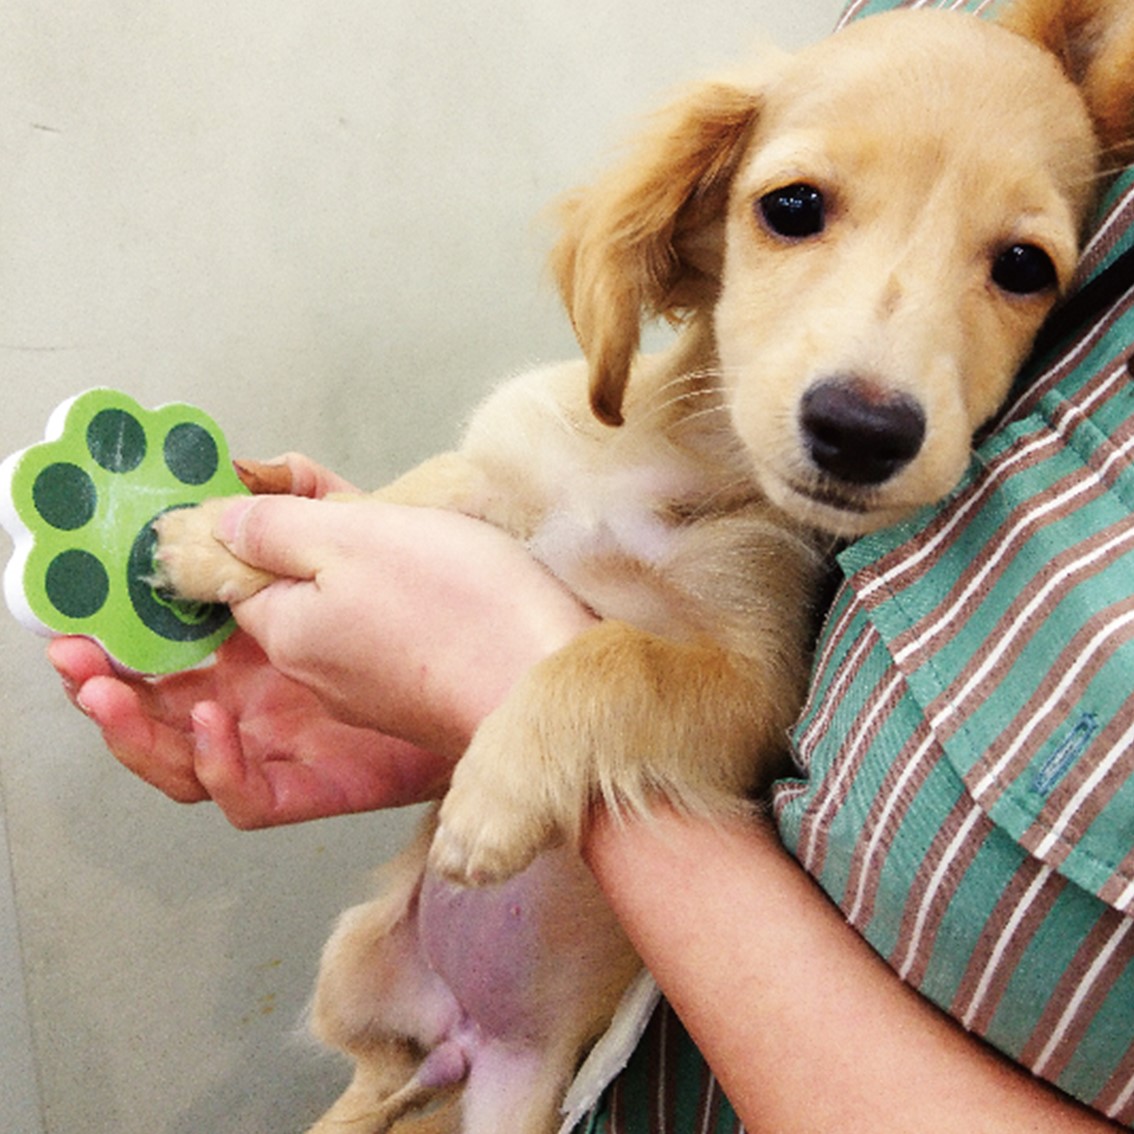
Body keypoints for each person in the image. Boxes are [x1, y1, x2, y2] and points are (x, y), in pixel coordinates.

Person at [49, 0, 1134, 1128]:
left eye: (1020, 265)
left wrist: (514, 690)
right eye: (797, 208)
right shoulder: (582, 402)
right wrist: (369, 633)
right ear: (693, 222)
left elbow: (737, 699)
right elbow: (470, 505)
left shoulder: (771, 545)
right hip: (431, 949)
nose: (878, 381)